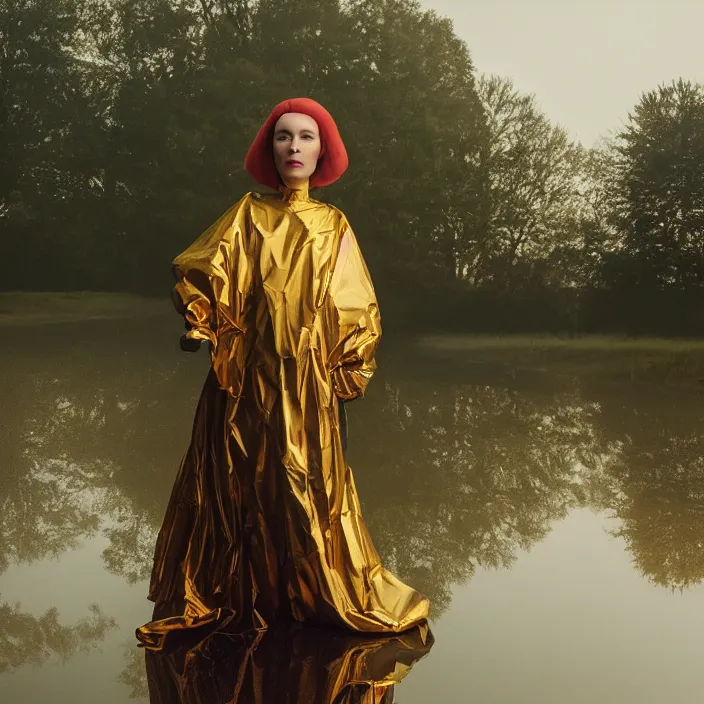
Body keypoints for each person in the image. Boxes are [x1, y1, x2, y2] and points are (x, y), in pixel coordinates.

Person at [136, 98, 429, 651]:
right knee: (235, 483)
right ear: (270, 149)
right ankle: (238, 597)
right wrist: (203, 322)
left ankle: (308, 594)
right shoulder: (247, 213)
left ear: (323, 151)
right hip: (243, 380)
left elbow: (354, 304)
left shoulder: (333, 224)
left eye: (306, 137)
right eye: (283, 137)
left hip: (306, 382)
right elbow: (207, 272)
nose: (294, 146)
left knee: (304, 483)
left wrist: (350, 363)